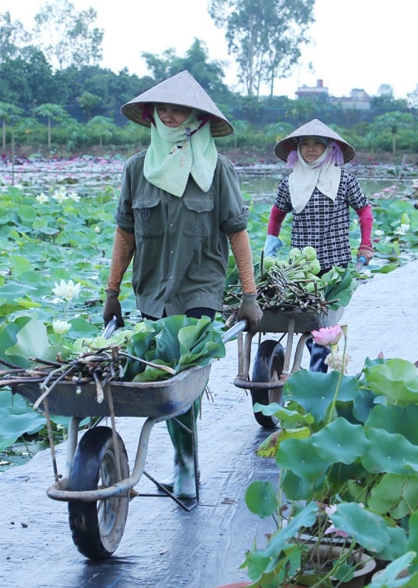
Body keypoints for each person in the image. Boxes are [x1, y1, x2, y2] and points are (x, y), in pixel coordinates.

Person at [102, 70, 263, 500]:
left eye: (180, 109)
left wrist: (248, 295)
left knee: (182, 374)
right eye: (164, 109)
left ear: (196, 118)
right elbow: (125, 234)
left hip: (199, 291)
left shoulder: (217, 169)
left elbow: (237, 232)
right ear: (153, 115)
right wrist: (112, 292)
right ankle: (184, 460)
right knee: (166, 382)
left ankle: (185, 467)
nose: (170, 115)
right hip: (152, 292)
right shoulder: (137, 169)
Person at [263, 119, 374, 372]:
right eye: (305, 144)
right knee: (308, 320)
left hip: (335, 264)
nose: (311, 149)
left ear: (328, 149)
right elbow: (276, 215)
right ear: (297, 150)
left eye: (317, 144)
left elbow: (364, 211)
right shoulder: (289, 183)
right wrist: (271, 245)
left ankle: (319, 372)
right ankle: (318, 370)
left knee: (322, 323)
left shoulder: (343, 179)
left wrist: (365, 244)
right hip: (302, 267)